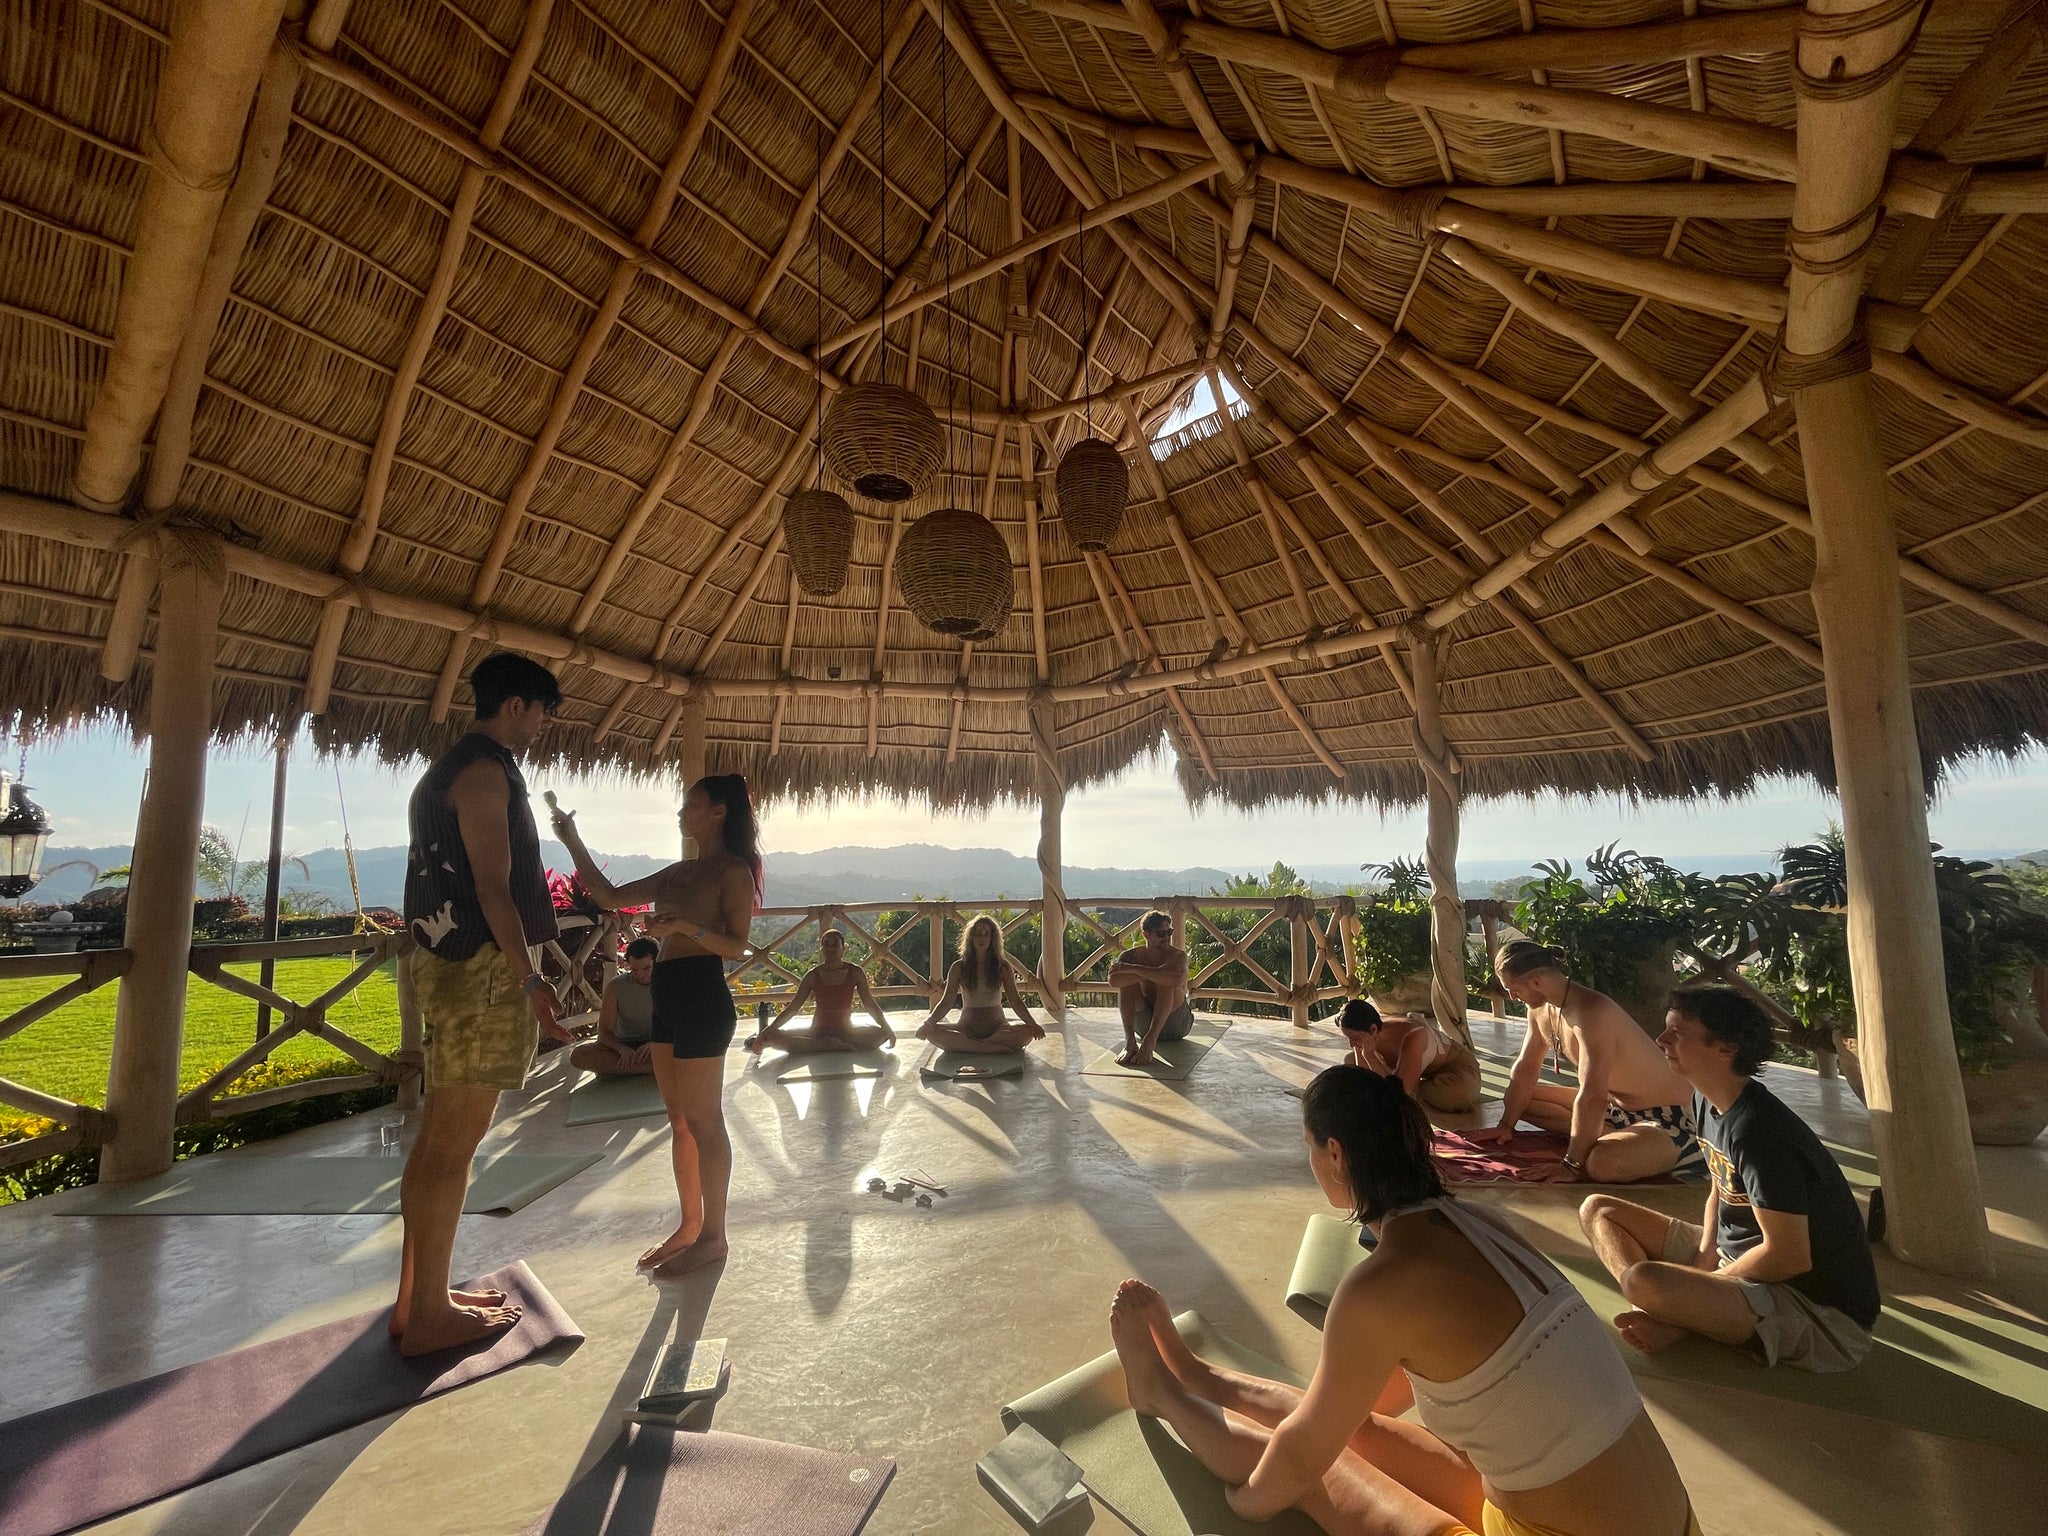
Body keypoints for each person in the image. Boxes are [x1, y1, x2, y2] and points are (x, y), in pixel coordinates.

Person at [1106, 1065, 1699, 1536]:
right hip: (1663, 1524)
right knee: (1345, 1429)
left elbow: (1304, 1457)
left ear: (1336, 1154)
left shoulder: (1384, 1285)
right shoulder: (1484, 1228)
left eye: (1310, 1147)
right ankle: (1193, 1372)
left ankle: (1162, 1395)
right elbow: (1361, 1412)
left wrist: (1241, 1507)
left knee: (1315, 1470)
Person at [394, 652, 568, 1355]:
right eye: (543, 711)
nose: (544, 726)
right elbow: (494, 888)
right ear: (517, 704)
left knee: (438, 1137)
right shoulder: (486, 772)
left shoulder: (447, 770)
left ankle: (419, 1298)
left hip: (447, 962)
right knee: (454, 1141)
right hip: (482, 970)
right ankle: (429, 1316)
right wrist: (530, 979)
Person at [1580, 985, 1880, 1371]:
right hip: (1741, 1261)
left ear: (1726, 1048)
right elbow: (1719, 1191)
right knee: (1598, 1211)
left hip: (1815, 1313)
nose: (1661, 1040)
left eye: (1677, 1033)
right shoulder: (1705, 1099)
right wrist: (1703, 1263)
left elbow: (1788, 1256)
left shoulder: (1759, 1133)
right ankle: (1671, 1314)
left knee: (1642, 1279)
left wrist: (1709, 1281)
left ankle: (1673, 1316)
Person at [551, 773, 761, 1274]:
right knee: (680, 1120)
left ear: (719, 811)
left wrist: (684, 926)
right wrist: (571, 839)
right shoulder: (677, 873)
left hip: (701, 996)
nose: (681, 811)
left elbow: (736, 946)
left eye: (691, 803)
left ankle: (714, 1238)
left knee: (706, 1121)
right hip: (665, 994)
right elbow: (608, 896)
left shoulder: (733, 871)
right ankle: (690, 1227)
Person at [1474, 940, 1702, 1184]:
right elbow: (1526, 1068)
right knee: (1519, 1100)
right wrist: (1505, 1125)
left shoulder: (1593, 1011)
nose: (1512, 996)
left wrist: (1571, 1164)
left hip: (1671, 1117)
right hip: (1615, 1109)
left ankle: (1675, 1147)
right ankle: (1612, 1136)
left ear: (1536, 982)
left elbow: (1592, 1094)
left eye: (1513, 989)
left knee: (1601, 1164)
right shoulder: (1540, 1010)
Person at [748, 927, 897, 1054]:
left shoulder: (855, 972)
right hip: (817, 1032)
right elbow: (793, 1008)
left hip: (846, 1031)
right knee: (774, 1037)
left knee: (881, 1034)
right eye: (826, 944)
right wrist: (769, 1030)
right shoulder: (812, 976)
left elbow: (869, 1004)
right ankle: (829, 1045)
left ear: (844, 948)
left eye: (835, 944)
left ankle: (826, 1045)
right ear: (821, 949)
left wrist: (887, 1028)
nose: (830, 948)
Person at [915, 914, 1045, 1055]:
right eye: (977, 934)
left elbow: (1015, 1001)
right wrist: (928, 1023)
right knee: (931, 1032)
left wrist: (1032, 1023)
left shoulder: (1003, 967)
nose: (981, 938)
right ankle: (986, 1047)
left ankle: (973, 1046)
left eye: (986, 934)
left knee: (1026, 1032)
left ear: (992, 938)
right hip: (966, 1027)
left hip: (997, 1027)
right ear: (971, 937)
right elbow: (946, 1002)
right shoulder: (958, 967)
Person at [1340, 998, 1482, 1114]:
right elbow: (1365, 1078)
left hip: (1454, 1067)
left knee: (1457, 1097)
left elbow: (1398, 1094)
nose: (1352, 1044)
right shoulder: (1363, 1032)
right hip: (1414, 1069)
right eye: (1348, 1038)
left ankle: (1412, 1084)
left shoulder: (1414, 1036)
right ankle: (1409, 1080)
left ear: (1373, 1029)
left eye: (1355, 1038)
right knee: (1350, 1061)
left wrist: (1370, 1057)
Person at [1109, 909, 1192, 1066]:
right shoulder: (1130, 957)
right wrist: (1148, 973)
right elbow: (1114, 981)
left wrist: (1134, 969)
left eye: (1169, 932)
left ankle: (1150, 1042)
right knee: (1127, 983)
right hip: (1144, 1024)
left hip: (1177, 1024)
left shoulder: (1177, 956)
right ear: (1146, 934)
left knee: (1166, 980)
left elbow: (1177, 979)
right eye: (1161, 934)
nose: (1166, 938)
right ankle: (1130, 1042)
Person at [570, 937, 660, 1076]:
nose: (640, 974)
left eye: (646, 968)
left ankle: (629, 1068)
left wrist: (655, 1043)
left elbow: (680, 1025)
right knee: (579, 1056)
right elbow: (605, 1032)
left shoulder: (669, 983)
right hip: (625, 1045)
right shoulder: (616, 986)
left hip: (659, 1044)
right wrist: (621, 1049)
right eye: (634, 969)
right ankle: (651, 1068)